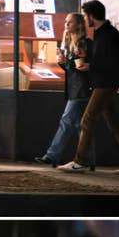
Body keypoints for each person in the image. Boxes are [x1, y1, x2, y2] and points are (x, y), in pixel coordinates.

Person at [58, 0, 119, 174]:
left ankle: (80, 161)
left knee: (87, 120)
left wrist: (90, 66)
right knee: (114, 123)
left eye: (86, 16)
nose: (85, 20)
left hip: (106, 84)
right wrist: (81, 58)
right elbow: (99, 59)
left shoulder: (109, 35)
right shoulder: (100, 34)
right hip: (102, 83)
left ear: (92, 16)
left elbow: (111, 62)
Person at [35, 13, 96, 168]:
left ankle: (52, 155)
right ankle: (88, 160)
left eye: (70, 22)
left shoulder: (83, 42)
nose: (66, 25)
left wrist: (67, 61)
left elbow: (81, 67)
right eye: (66, 22)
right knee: (79, 125)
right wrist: (63, 62)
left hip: (81, 88)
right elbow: (72, 68)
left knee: (67, 120)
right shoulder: (70, 42)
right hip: (75, 88)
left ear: (79, 25)